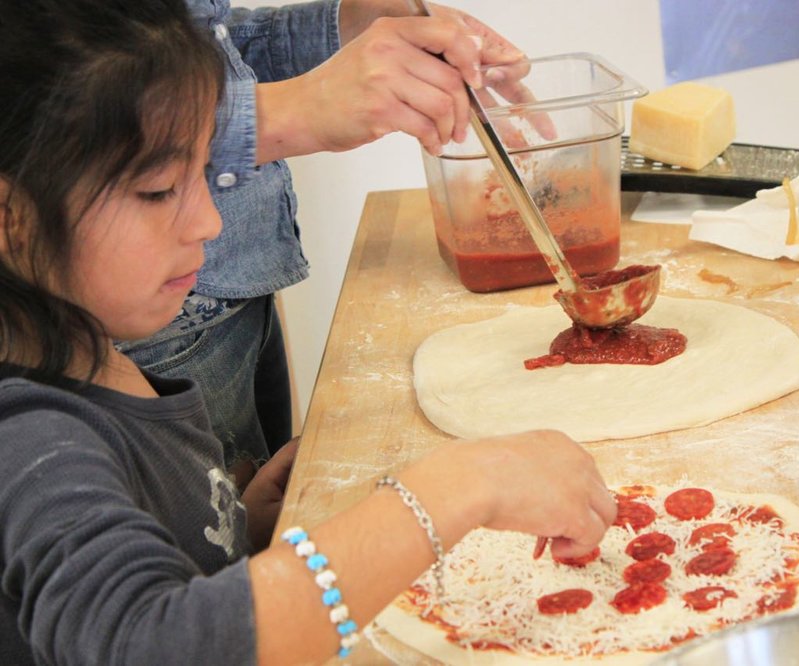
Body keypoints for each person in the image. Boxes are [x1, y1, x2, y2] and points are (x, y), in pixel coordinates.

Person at [0, 1, 614, 664]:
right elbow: (152, 640)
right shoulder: (29, 437)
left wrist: (239, 525)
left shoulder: (94, 349)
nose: (207, 222)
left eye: (205, 174)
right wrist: (463, 486)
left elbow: (159, 558)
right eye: (158, 192)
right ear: (12, 218)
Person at [119, 0, 530, 485]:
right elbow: (45, 108)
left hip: (233, 297)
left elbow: (184, 39)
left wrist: (340, 27)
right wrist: (291, 109)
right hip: (149, 336)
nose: (208, 221)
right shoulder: (55, 434)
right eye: (160, 189)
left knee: (247, 524)